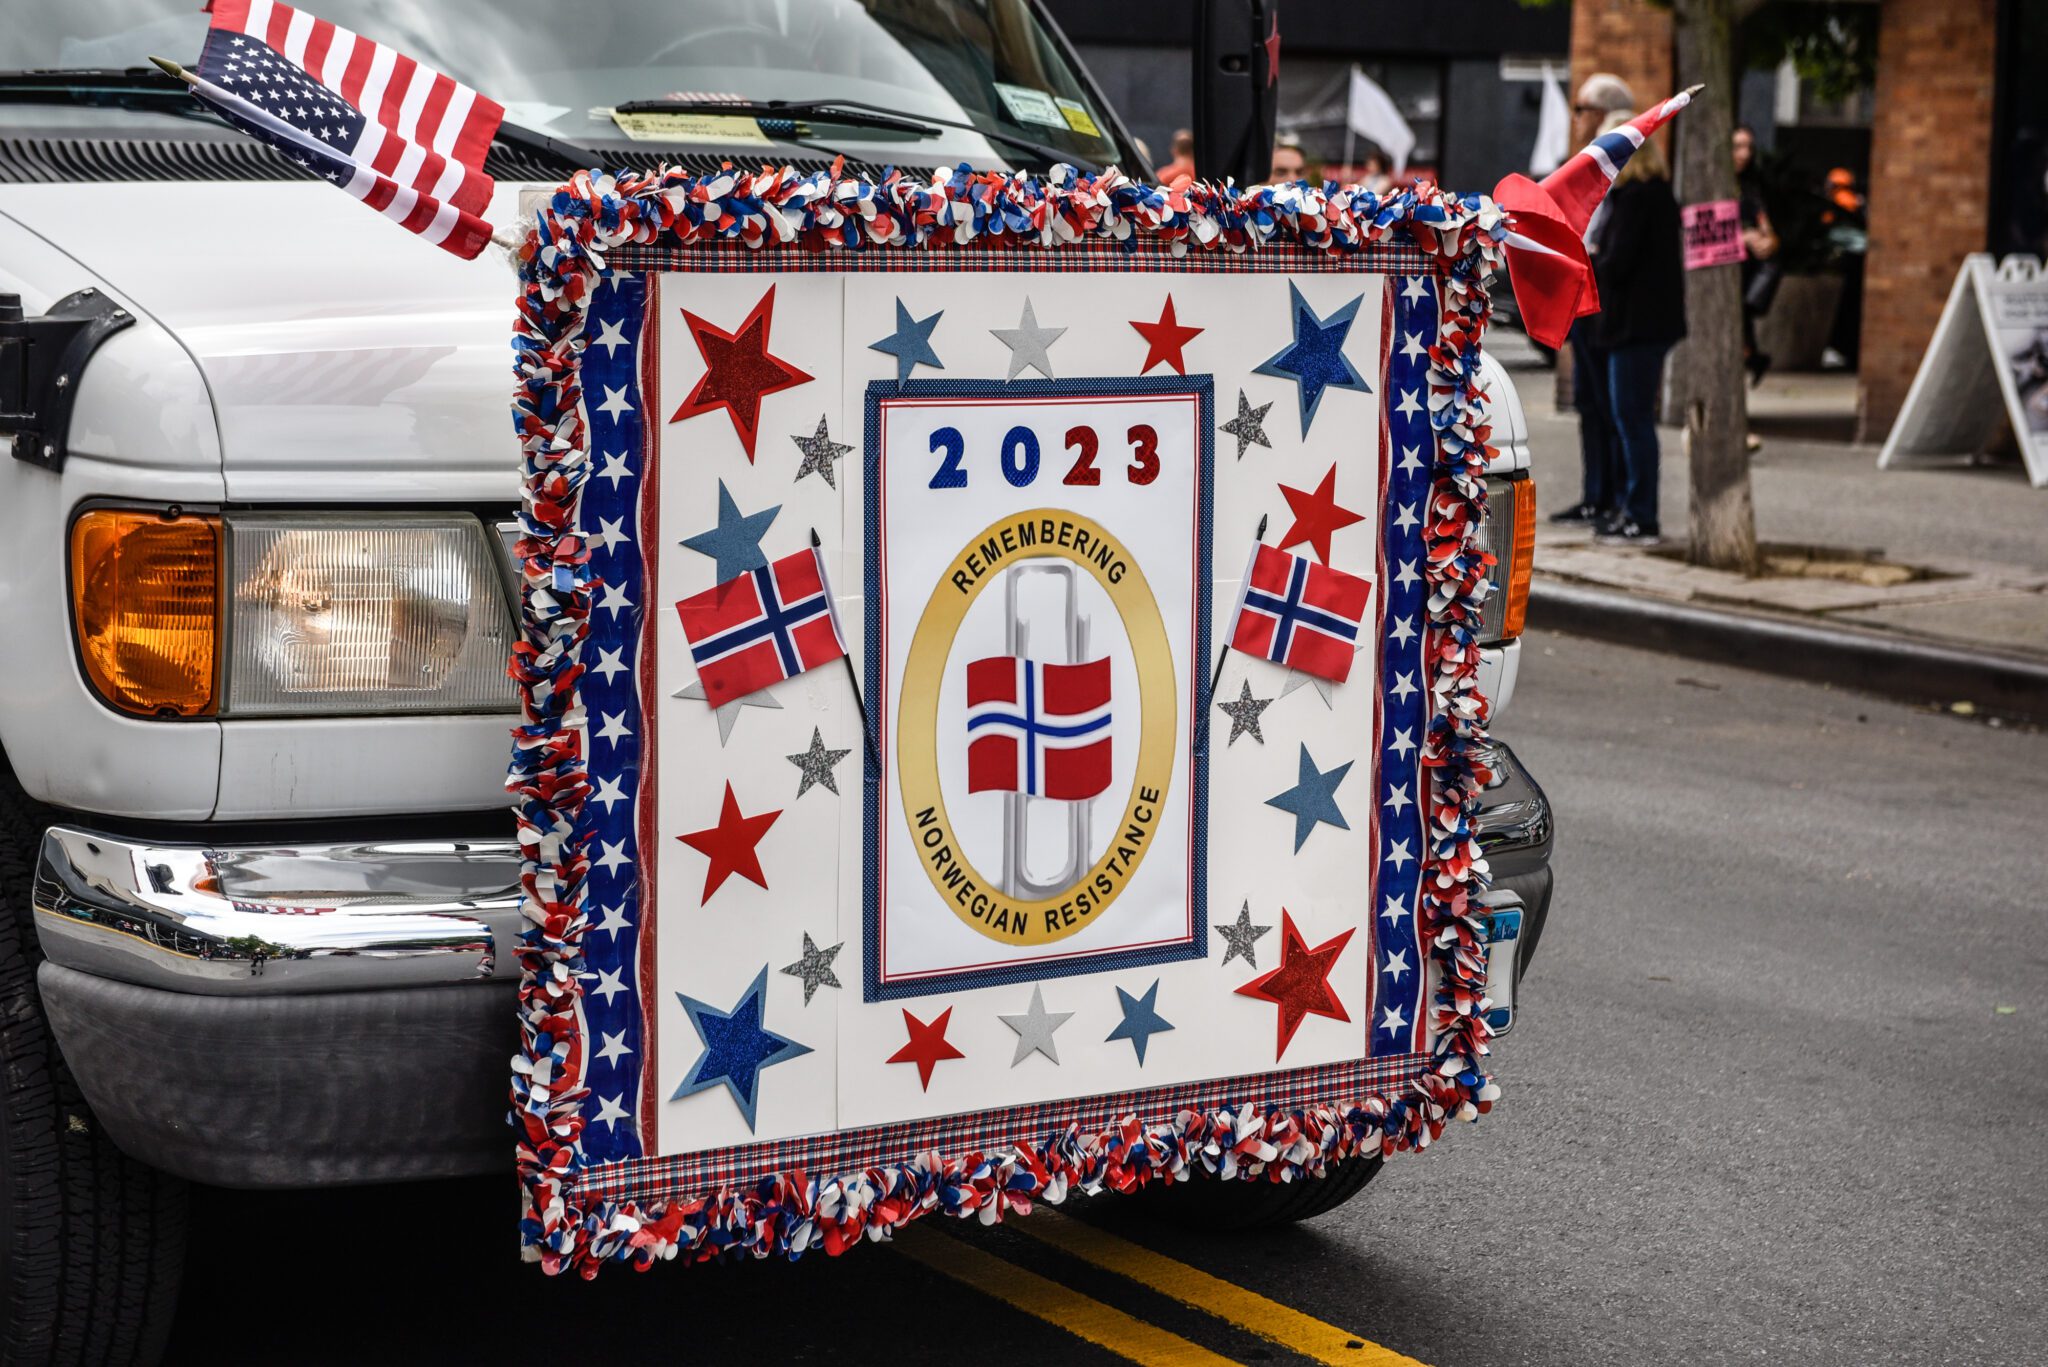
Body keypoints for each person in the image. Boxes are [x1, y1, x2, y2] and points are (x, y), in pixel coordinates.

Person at [1588, 113, 1686, 548]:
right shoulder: (1657, 197)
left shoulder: (1637, 199)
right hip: (1646, 324)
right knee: (1631, 419)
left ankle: (1642, 515)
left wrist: (1592, 256)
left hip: (1636, 326)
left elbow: (1619, 263)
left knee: (1632, 419)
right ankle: (1632, 508)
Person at [1549, 75, 1636, 528]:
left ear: (1603, 115)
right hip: (1580, 300)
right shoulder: (1581, 164)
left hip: (1609, 307)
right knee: (1587, 402)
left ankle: (1618, 497)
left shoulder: (1625, 170)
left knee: (1610, 406)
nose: (1576, 119)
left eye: (1581, 110)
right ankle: (1594, 495)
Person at [1732, 124, 1780, 387]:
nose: (1744, 153)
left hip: (1747, 267)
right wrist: (1744, 237)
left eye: (1749, 147)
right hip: (1723, 267)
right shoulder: (1714, 182)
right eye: (1738, 146)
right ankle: (1754, 357)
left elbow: (1766, 225)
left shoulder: (1751, 186)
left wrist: (1768, 241)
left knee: (1743, 314)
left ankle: (1753, 357)